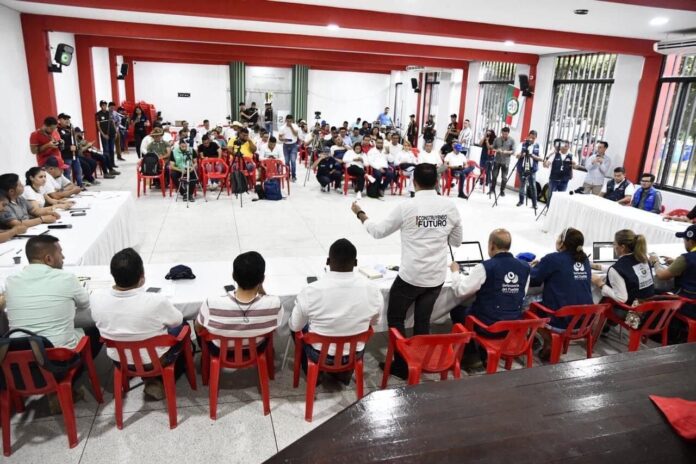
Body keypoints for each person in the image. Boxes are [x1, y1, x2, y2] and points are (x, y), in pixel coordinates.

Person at [351, 164, 463, 379]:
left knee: (395, 317)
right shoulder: (450, 206)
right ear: (438, 182)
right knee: (423, 320)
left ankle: (402, 364)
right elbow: (456, 241)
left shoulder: (407, 207)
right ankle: (420, 361)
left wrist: (360, 213)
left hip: (411, 276)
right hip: (436, 277)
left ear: (414, 182)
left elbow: (378, 231)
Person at [90, 248, 184, 400]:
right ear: (142, 276)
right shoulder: (155, 301)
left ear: (113, 275)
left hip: (120, 360)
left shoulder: (96, 298)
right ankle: (157, 380)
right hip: (155, 361)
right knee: (182, 327)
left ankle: (150, 381)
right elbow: (177, 320)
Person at [289, 239, 382, 379]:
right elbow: (375, 322)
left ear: (328, 261)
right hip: (354, 354)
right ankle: (343, 375)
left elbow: (295, 326)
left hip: (319, 355)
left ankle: (312, 374)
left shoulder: (311, 291)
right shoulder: (373, 290)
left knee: (297, 323)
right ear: (356, 263)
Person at [449, 229, 529, 366]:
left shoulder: (485, 267)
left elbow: (460, 292)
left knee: (457, 310)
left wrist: (455, 272)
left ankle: (471, 355)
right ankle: (481, 352)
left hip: (489, 327)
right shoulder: (525, 267)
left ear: (491, 245)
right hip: (514, 327)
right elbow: (523, 293)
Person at [4, 236, 97, 351]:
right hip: (60, 357)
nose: (63, 257)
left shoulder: (10, 281)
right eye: (60, 253)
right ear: (48, 259)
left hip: (18, 355)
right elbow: (85, 304)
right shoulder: (66, 278)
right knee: (97, 322)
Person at [196, 252, 283, 354]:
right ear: (262, 279)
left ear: (233, 276)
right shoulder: (274, 303)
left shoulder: (211, 303)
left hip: (220, 350)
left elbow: (199, 328)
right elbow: (275, 328)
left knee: (198, 322)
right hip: (256, 348)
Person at [530, 228, 593, 359]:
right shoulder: (584, 259)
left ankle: (547, 342)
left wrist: (533, 266)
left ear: (562, 243)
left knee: (529, 307)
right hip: (584, 322)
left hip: (562, 321)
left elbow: (534, 279)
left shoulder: (553, 259)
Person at [591, 230, 655, 323]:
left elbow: (621, 298)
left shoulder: (617, 269)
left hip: (634, 315)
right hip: (651, 310)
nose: (613, 246)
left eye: (614, 244)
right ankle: (606, 327)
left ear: (622, 247)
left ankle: (601, 325)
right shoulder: (643, 258)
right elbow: (628, 270)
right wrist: (597, 266)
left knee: (602, 297)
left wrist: (600, 284)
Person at [56, 113, 84, 188]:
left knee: (78, 170)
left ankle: (80, 185)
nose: (67, 121)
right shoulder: (57, 130)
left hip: (75, 154)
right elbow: (59, 144)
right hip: (66, 155)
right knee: (67, 172)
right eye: (65, 119)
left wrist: (76, 147)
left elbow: (74, 140)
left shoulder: (70, 129)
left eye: (68, 119)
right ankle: (69, 187)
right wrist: (69, 147)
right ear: (60, 119)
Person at [515, 130, 542, 209]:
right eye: (530, 137)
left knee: (533, 186)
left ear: (536, 138)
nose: (532, 139)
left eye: (533, 138)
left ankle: (534, 204)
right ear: (528, 136)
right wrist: (522, 154)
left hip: (532, 169)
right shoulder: (522, 144)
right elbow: (516, 156)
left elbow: (541, 158)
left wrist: (532, 156)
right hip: (522, 167)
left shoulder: (539, 146)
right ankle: (521, 201)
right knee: (522, 184)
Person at [490, 127, 516, 197]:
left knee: (504, 178)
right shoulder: (497, 139)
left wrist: (506, 152)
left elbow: (513, 151)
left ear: (508, 133)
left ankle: (502, 190)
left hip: (506, 162)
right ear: (501, 132)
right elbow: (493, 148)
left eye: (506, 134)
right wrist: (497, 150)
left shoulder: (512, 140)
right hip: (497, 160)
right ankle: (492, 189)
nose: (504, 136)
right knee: (494, 175)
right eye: (503, 134)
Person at [96, 100, 117, 169]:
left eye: (105, 105)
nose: (104, 106)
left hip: (112, 133)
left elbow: (113, 122)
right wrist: (103, 134)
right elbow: (98, 126)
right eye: (103, 105)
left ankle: (112, 163)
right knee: (106, 150)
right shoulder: (98, 114)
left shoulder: (109, 113)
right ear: (101, 106)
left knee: (111, 149)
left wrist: (115, 131)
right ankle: (107, 165)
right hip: (104, 135)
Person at [279, 114, 299, 182]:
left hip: (293, 145)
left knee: (293, 161)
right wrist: (283, 139)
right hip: (286, 145)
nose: (289, 122)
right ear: (285, 120)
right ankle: (288, 175)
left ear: (292, 120)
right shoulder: (282, 128)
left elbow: (296, 134)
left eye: (290, 121)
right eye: (288, 121)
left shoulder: (295, 126)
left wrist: (291, 127)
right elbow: (279, 137)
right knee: (287, 162)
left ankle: (294, 176)